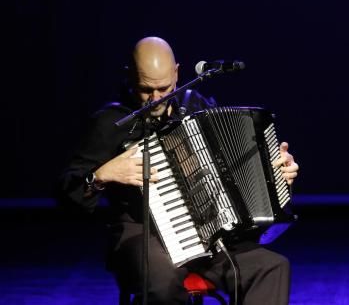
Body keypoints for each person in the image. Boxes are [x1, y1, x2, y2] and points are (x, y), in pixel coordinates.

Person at [57, 36, 299, 304]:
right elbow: (67, 195)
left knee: (271, 267)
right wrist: (101, 176)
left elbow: (231, 175)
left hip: (207, 234)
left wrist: (275, 175)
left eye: (164, 88)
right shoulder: (110, 123)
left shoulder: (195, 106)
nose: (155, 99)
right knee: (163, 283)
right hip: (141, 235)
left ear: (177, 73)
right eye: (145, 89)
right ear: (129, 78)